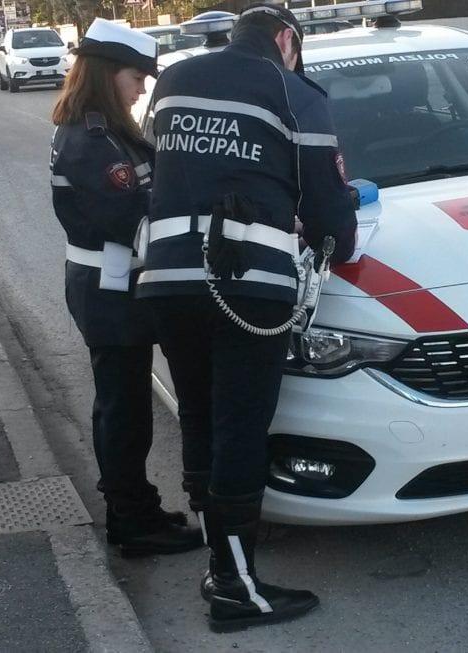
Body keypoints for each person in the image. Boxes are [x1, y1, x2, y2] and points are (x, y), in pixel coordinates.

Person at [136, 3, 357, 632]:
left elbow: (161, 172)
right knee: (241, 428)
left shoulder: (175, 81)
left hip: (168, 280)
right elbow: (327, 206)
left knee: (202, 419)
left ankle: (220, 564)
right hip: (246, 284)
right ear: (286, 40)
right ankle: (236, 588)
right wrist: (335, 236)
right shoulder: (294, 92)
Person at [50, 18, 202, 557]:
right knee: (123, 409)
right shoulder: (91, 142)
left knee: (127, 404)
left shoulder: (108, 132)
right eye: (137, 77)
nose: (142, 88)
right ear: (108, 74)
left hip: (115, 287)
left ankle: (136, 506)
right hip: (109, 287)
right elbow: (137, 223)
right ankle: (131, 522)